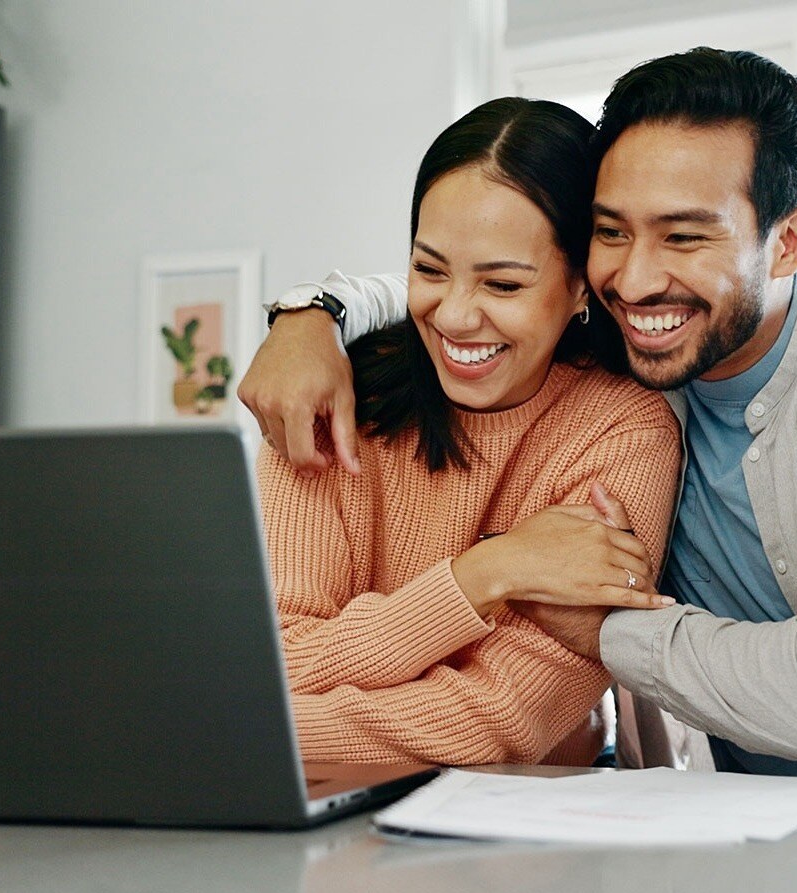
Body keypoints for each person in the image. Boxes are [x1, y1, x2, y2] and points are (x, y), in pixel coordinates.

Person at [242, 48, 797, 787]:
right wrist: (309, 314)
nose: (635, 278)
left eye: (685, 235)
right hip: (755, 828)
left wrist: (612, 635)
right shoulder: (635, 349)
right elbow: (482, 278)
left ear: (788, 240)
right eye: (613, 232)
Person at [261, 97, 681, 766]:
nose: (454, 315)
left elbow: (505, 717)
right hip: (299, 815)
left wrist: (248, 740)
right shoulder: (333, 400)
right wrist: (488, 571)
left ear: (582, 287)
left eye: (504, 284)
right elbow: (272, 663)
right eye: (429, 270)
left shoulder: (623, 431)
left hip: (519, 833)